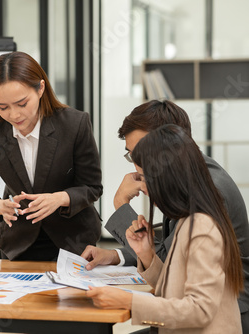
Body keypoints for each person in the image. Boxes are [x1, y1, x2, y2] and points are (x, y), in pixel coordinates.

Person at [81, 100, 249, 331]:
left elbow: (198, 307)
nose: (138, 172)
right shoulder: (191, 184)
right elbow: (173, 269)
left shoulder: (205, 204)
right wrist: (143, 253)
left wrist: (121, 204)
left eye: (141, 157)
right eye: (133, 157)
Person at [0, 51, 103, 261]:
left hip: (73, 241)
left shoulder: (74, 124)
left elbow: (92, 187)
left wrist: (58, 199)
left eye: (22, 103)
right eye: (2, 107)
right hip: (16, 243)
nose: (14, 115)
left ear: (40, 88)